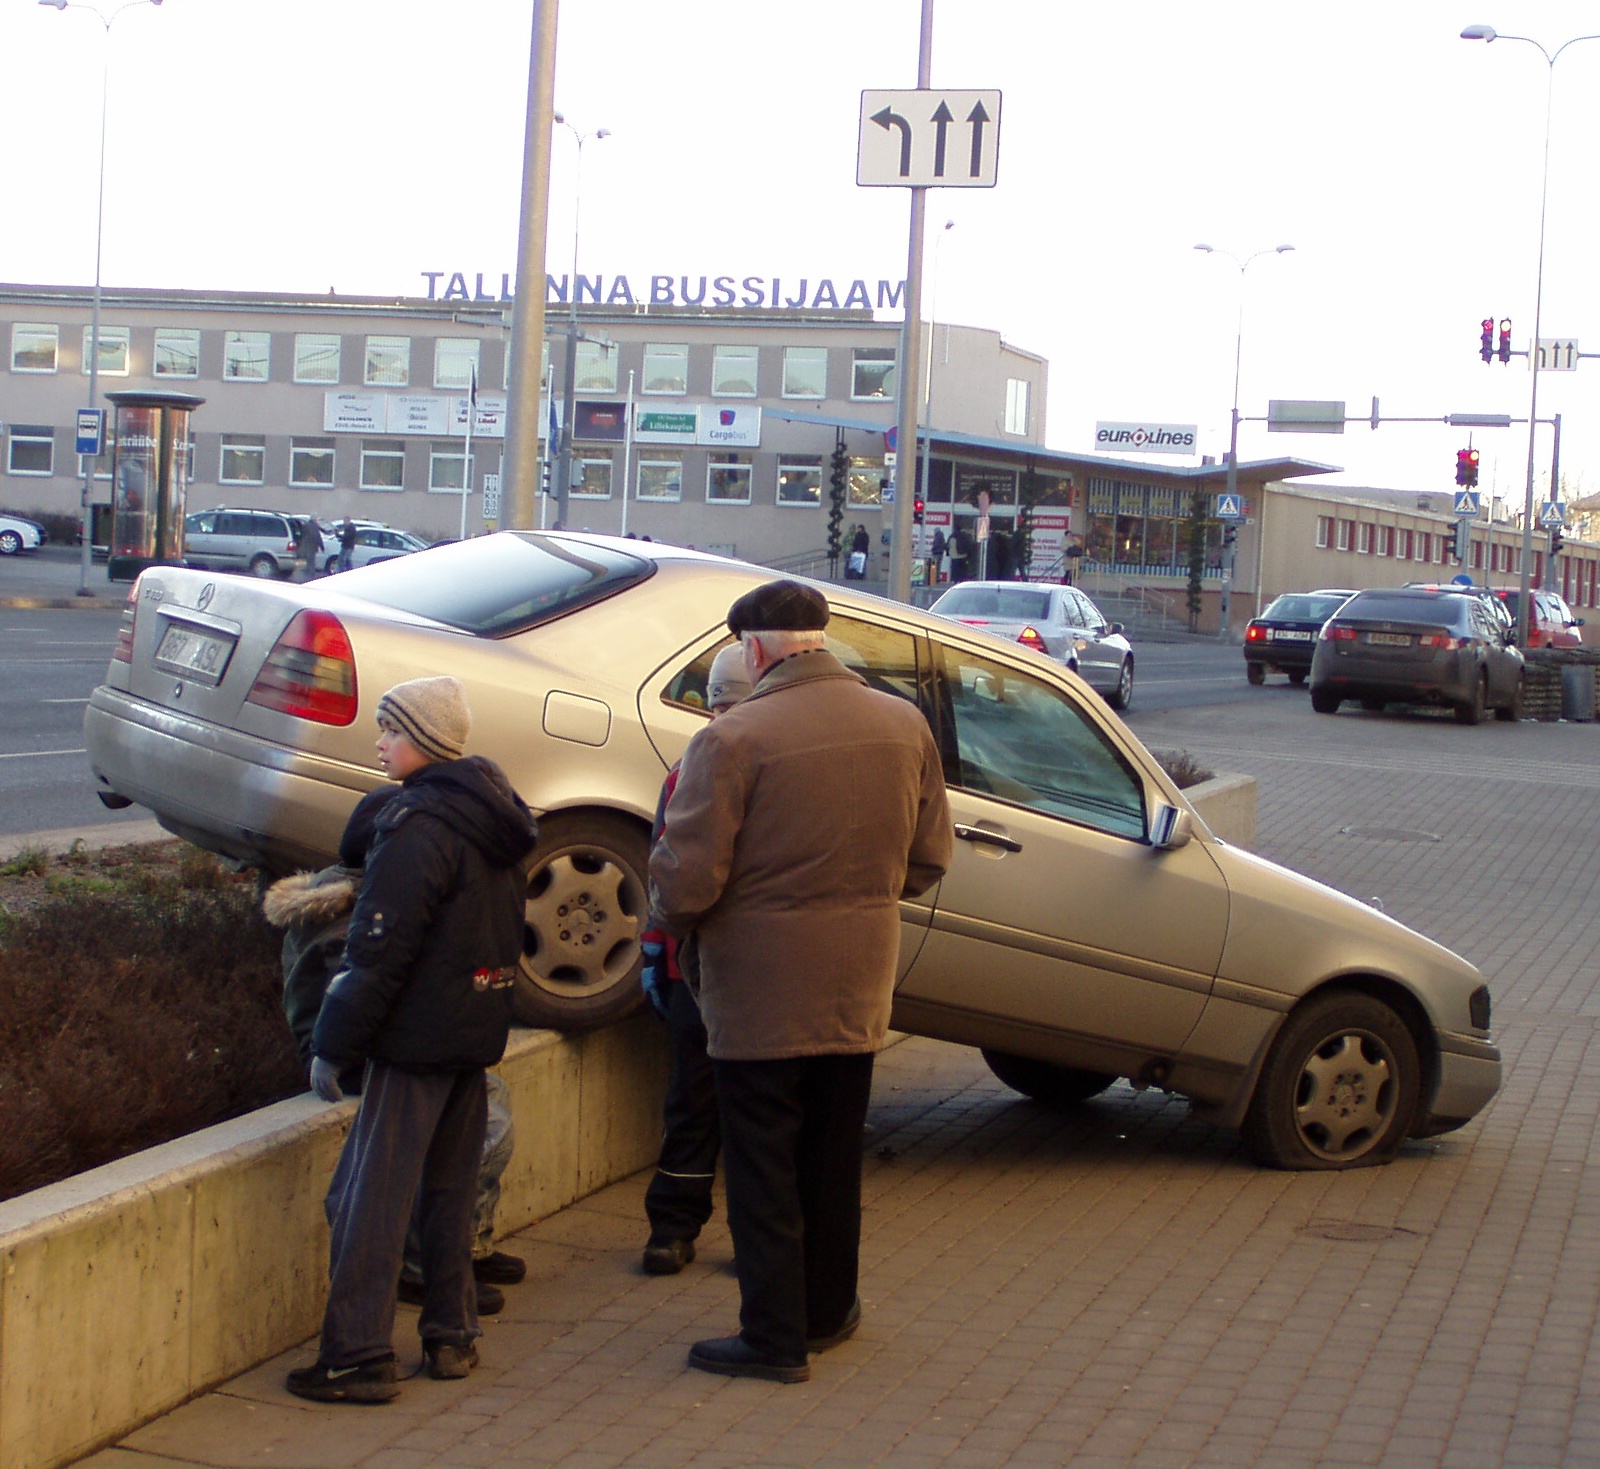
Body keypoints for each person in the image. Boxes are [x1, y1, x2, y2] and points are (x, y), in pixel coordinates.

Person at [650, 580, 952, 1383]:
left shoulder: (732, 739)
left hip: (756, 992)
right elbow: (928, 859)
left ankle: (773, 1337)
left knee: (761, 1163)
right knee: (829, 1155)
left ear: (752, 649)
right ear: (820, 636)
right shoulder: (902, 723)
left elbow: (686, 884)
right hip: (858, 982)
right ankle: (828, 1311)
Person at [285, 675, 537, 1404]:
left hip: (416, 1037)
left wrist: (333, 1042)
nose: (378, 742)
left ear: (423, 739)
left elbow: (378, 948)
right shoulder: (497, 817)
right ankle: (451, 1335)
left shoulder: (417, 825)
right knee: (450, 1195)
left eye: (389, 731)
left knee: (372, 1195)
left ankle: (357, 1354)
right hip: (474, 1027)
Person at [263, 787, 525, 1320]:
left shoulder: (375, 894)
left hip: (387, 1045)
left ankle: (465, 1247)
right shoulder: (348, 917)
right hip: (359, 1059)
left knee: (487, 1111)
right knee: (482, 1126)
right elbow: (360, 996)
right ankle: (421, 1269)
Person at [636, 643, 752, 1277]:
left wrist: (658, 943)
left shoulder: (688, 766)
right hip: (750, 968)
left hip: (694, 966)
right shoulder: (760, 757)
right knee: (752, 1109)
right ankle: (746, 1235)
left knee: (691, 1100)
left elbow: (666, 866)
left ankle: (674, 1230)